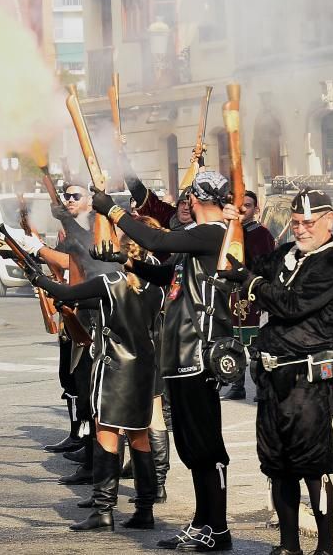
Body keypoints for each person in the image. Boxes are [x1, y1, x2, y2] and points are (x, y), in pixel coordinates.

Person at [91, 171, 234, 552]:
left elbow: (158, 239)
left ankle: (216, 528)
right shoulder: (201, 242)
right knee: (191, 448)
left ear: (195, 200)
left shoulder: (213, 232)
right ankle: (204, 523)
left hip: (199, 355)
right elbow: (169, 272)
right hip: (182, 356)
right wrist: (127, 260)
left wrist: (115, 213)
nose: (182, 206)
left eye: (187, 199)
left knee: (206, 449)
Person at [218, 188, 333, 555]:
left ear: (328, 221)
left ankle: (325, 547)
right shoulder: (287, 254)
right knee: (277, 464)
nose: (301, 230)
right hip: (273, 377)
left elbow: (291, 304)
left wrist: (253, 283)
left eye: (309, 223)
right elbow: (245, 264)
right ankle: (288, 544)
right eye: (295, 223)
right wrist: (232, 226)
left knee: (312, 463)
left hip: (308, 378)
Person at [25, 235, 165, 533]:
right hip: (143, 369)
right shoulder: (156, 288)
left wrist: (36, 276)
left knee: (107, 436)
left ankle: (103, 510)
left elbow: (67, 291)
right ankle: (145, 509)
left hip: (114, 368)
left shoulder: (111, 281)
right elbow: (85, 299)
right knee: (140, 439)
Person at [36, 184, 122, 485]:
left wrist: (38, 249)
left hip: (98, 318)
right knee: (81, 390)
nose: (69, 200)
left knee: (94, 397)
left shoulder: (98, 231)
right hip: (81, 314)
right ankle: (91, 459)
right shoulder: (78, 230)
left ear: (92, 203)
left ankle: (104, 472)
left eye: (76, 197)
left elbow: (86, 253)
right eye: (67, 196)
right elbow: (66, 264)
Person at [222, 189, 276, 402]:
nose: (243, 208)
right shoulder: (227, 230)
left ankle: (261, 386)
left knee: (255, 346)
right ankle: (237, 385)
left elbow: (266, 266)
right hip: (229, 293)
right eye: (240, 204)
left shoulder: (261, 234)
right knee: (232, 342)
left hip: (251, 293)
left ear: (256, 209)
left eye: (248, 205)